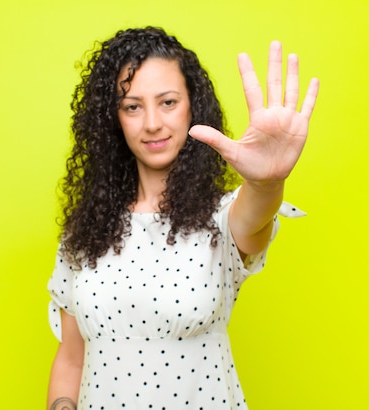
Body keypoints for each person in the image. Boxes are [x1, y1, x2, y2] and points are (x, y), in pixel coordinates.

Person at [47, 26, 319, 409]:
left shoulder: (223, 218)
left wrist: (267, 182)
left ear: (194, 105)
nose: (152, 123)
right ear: (115, 120)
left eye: (168, 102)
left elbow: (254, 219)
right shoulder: (86, 231)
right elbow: (72, 358)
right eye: (132, 106)